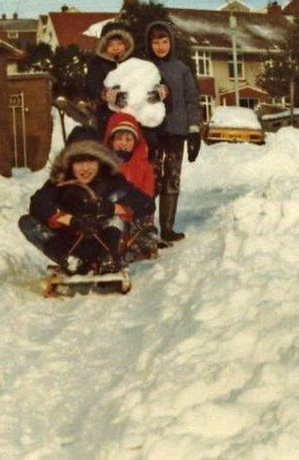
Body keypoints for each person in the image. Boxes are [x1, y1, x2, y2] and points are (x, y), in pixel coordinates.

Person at [18, 138, 154, 275]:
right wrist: (72, 220)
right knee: (27, 222)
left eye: (90, 161)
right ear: (70, 164)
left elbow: (146, 204)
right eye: (79, 162)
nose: (85, 168)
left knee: (115, 217)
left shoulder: (112, 180)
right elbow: (38, 203)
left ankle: (108, 259)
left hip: (105, 240)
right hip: (71, 244)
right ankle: (70, 262)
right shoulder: (60, 181)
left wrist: (110, 208)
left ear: (100, 162)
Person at [144, 21, 202, 242]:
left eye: (164, 41)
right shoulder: (144, 67)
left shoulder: (182, 69)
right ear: (150, 44)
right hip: (152, 133)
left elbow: (192, 101)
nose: (160, 46)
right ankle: (146, 229)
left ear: (171, 42)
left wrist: (194, 131)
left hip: (176, 133)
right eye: (156, 42)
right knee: (152, 179)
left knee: (172, 179)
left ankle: (167, 227)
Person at [102, 112, 160, 261]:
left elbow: (147, 194)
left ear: (135, 142)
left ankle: (139, 243)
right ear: (111, 141)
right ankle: (116, 247)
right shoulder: (105, 165)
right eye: (119, 139)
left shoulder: (144, 166)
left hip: (135, 212)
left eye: (128, 139)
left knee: (142, 228)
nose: (124, 143)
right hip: (114, 212)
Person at [80, 21, 134, 137]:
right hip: (105, 111)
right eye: (111, 45)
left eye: (119, 44)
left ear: (126, 44)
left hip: (129, 110)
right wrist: (103, 93)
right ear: (104, 46)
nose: (116, 48)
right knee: (107, 137)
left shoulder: (131, 62)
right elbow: (92, 83)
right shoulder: (97, 63)